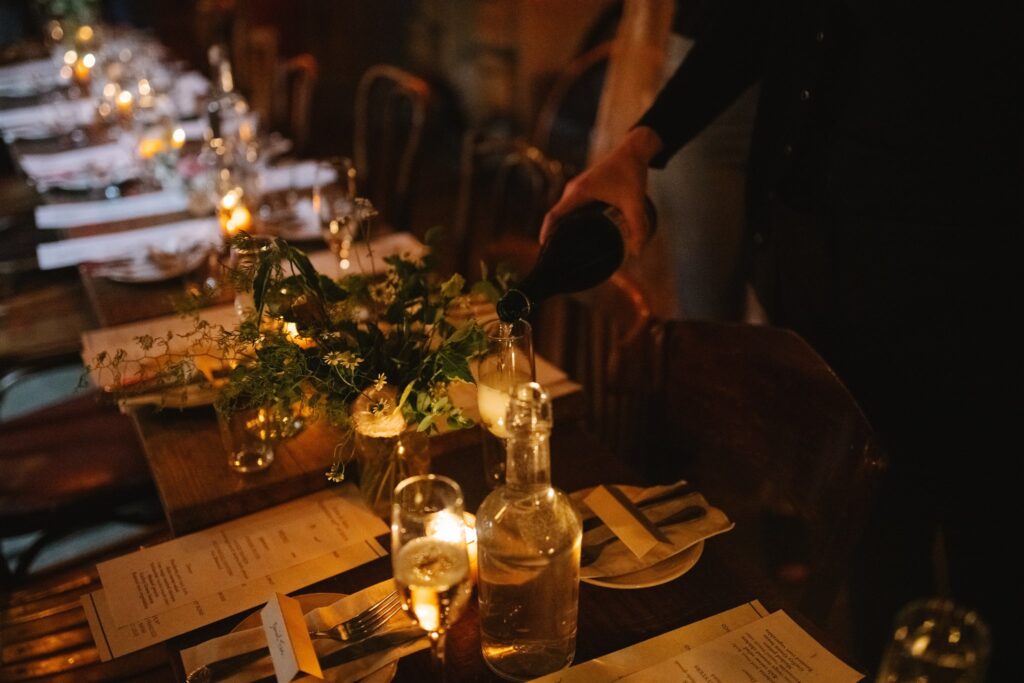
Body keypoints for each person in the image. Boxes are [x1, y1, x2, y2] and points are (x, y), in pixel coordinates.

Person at [542, 1, 1022, 678]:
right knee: (874, 532)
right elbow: (763, 17)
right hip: (827, 255)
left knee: (990, 557)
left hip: (974, 281)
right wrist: (642, 142)